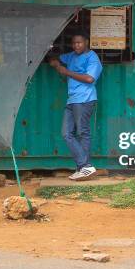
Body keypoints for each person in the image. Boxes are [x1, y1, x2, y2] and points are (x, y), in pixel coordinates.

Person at [49, 33, 103, 181]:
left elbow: (89, 78)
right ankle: (84, 167)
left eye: (79, 42)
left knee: (83, 133)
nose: (76, 45)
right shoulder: (72, 56)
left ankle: (83, 167)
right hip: (72, 100)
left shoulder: (93, 58)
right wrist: (55, 62)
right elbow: (57, 58)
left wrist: (66, 71)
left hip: (85, 99)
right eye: (74, 43)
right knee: (66, 133)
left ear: (86, 42)